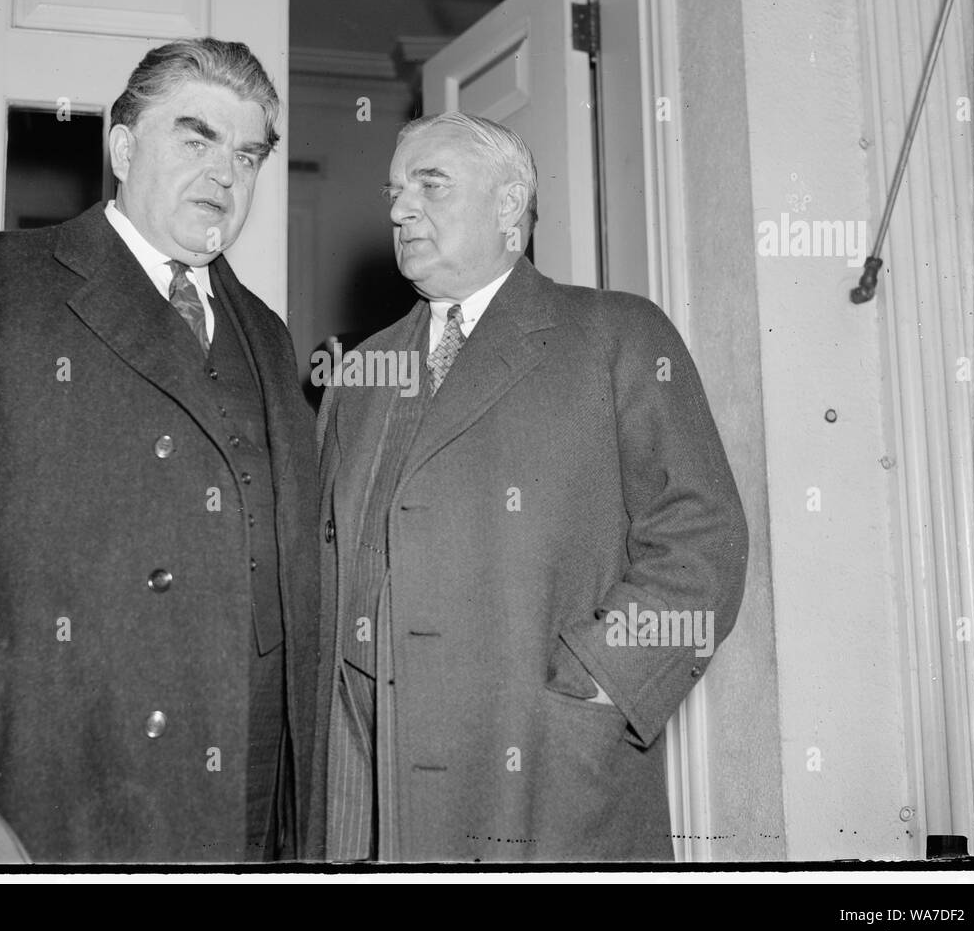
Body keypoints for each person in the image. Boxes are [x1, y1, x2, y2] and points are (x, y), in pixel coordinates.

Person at [0, 38, 318, 864]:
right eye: (195, 138)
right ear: (124, 147)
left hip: (238, 767)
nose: (225, 175)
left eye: (247, 155)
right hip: (56, 755)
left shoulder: (269, 336)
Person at [311, 112, 749, 863]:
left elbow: (703, 542)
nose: (397, 208)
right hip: (375, 797)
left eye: (430, 184)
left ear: (510, 203)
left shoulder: (617, 334)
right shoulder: (359, 371)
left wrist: (599, 683)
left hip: (546, 784)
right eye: (393, 190)